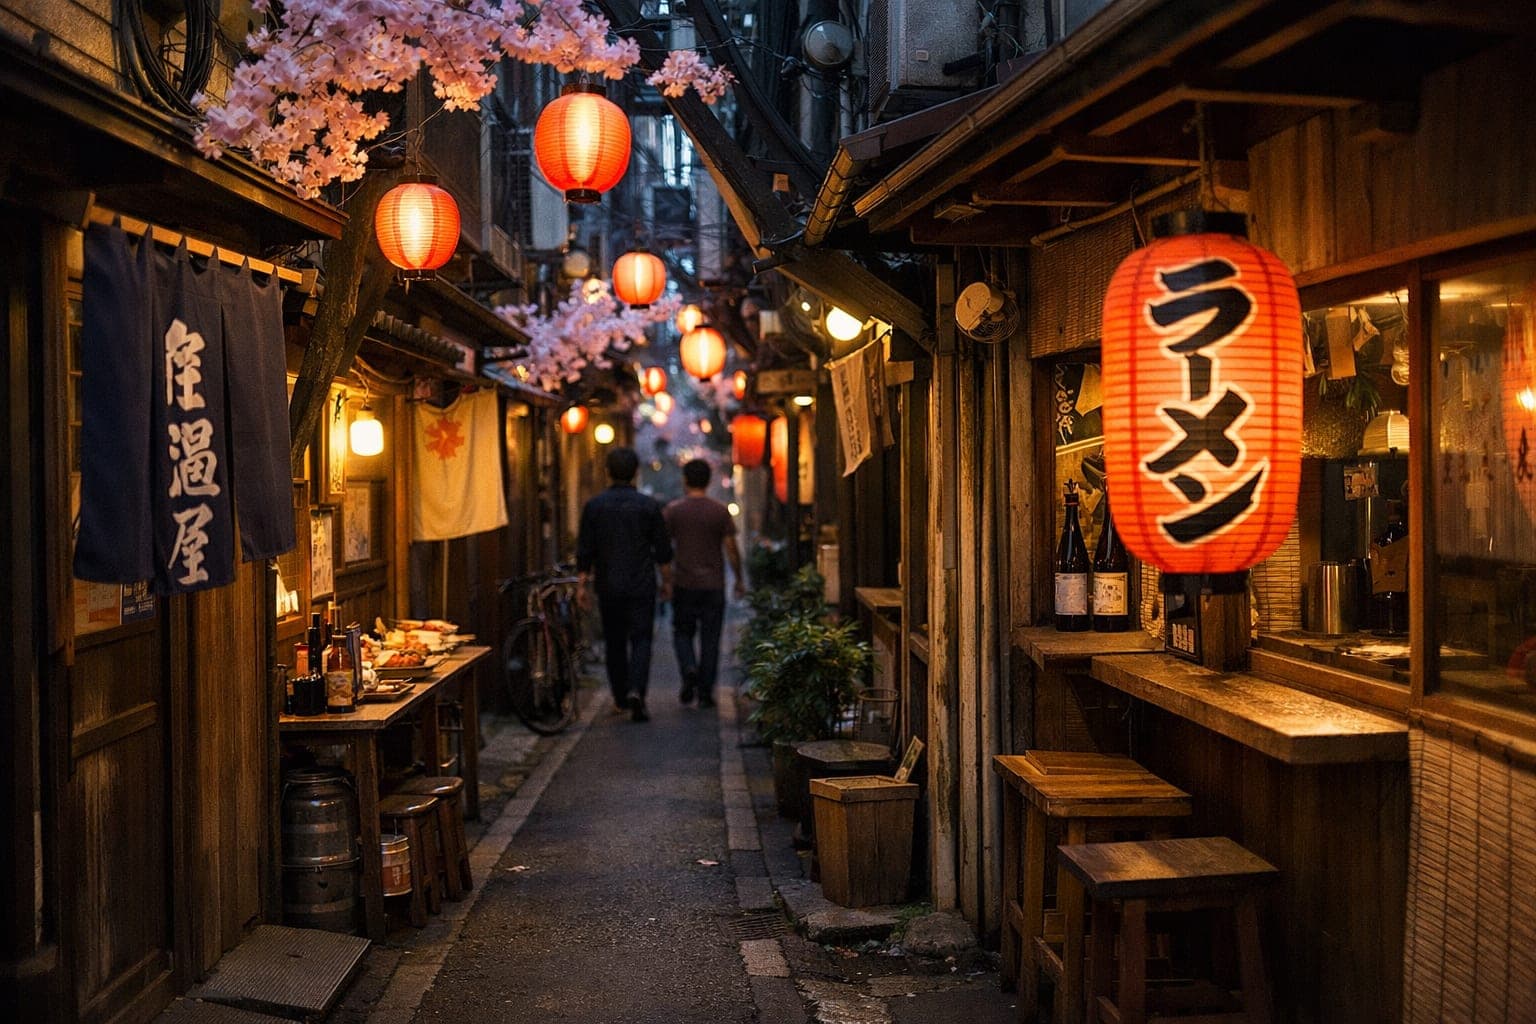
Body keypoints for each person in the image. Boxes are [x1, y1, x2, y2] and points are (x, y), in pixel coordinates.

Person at [576, 447, 673, 722]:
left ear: (607, 471)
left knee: (615, 641)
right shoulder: (648, 506)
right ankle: (637, 691)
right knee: (642, 639)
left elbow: (585, 550)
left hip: (609, 585)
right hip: (642, 584)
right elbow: (662, 550)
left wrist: (582, 585)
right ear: (636, 472)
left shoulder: (595, 507)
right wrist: (667, 581)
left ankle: (620, 698)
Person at [663, 458, 746, 709]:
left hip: (684, 583)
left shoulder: (673, 511)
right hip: (713, 585)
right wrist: (739, 579)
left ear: (685, 480)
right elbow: (731, 549)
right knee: (711, 639)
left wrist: (666, 580)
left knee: (682, 632)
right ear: (709, 481)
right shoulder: (719, 511)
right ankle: (706, 693)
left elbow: (664, 550)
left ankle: (689, 667)